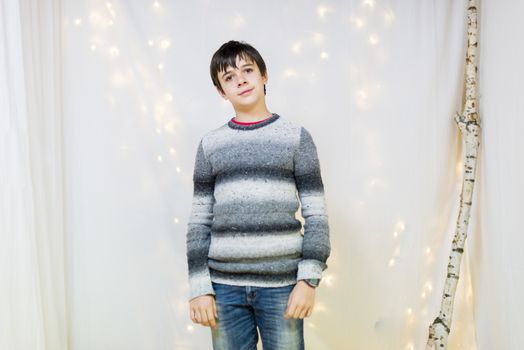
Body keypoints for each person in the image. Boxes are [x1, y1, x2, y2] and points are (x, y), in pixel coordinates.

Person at [186, 39, 331, 350]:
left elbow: (316, 214)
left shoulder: (296, 138)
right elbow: (199, 221)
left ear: (264, 76)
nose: (240, 79)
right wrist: (199, 286)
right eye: (228, 77)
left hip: (282, 286)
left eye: (247, 70)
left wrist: (308, 279)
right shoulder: (210, 145)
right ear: (221, 92)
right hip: (224, 289)